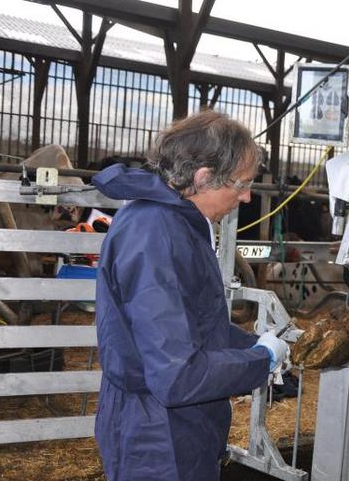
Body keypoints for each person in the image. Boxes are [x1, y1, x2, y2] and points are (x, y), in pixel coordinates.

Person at [92, 111, 289, 480]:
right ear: (202, 178)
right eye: (242, 184)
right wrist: (258, 362)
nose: (246, 197)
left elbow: (193, 324)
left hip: (176, 426)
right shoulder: (156, 236)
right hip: (158, 439)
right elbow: (177, 376)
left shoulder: (176, 223)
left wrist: (255, 346)